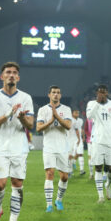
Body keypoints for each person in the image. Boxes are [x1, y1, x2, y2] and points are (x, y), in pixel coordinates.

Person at [0, 62, 34, 221]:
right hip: (0, 146)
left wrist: (21, 118)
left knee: (17, 184)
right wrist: (8, 114)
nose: (11, 75)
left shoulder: (26, 98)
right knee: (0, 185)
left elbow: (31, 125)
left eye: (14, 73)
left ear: (18, 77)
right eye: (8, 72)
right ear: (2, 76)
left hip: (19, 147)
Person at [36, 85, 72, 213]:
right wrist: (51, 120)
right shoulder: (42, 110)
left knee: (64, 177)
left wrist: (57, 117)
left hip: (62, 147)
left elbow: (68, 126)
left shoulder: (66, 109)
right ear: (49, 95)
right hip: (49, 147)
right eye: (53, 92)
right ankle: (49, 204)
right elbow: (38, 128)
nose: (55, 94)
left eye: (58, 92)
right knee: (50, 173)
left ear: (60, 95)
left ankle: (59, 200)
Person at [86, 85, 111, 203]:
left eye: (104, 92)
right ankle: (100, 196)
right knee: (98, 168)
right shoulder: (91, 104)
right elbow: (89, 117)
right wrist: (97, 102)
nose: (102, 94)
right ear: (97, 93)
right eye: (100, 92)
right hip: (97, 141)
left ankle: (108, 185)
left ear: (107, 93)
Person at [71, 109, 86, 175]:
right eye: (75, 113)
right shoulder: (70, 120)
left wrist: (83, 137)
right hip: (71, 140)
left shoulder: (81, 120)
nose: (77, 114)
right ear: (72, 113)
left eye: (78, 113)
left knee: (80, 154)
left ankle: (81, 170)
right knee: (71, 155)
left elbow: (81, 129)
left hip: (79, 139)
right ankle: (70, 171)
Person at [68, 109, 82, 177]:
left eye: (77, 112)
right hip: (68, 140)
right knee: (69, 155)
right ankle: (69, 170)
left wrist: (79, 139)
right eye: (75, 112)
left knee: (72, 155)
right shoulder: (68, 120)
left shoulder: (76, 121)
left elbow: (77, 131)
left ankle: (70, 170)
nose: (77, 114)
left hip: (74, 140)